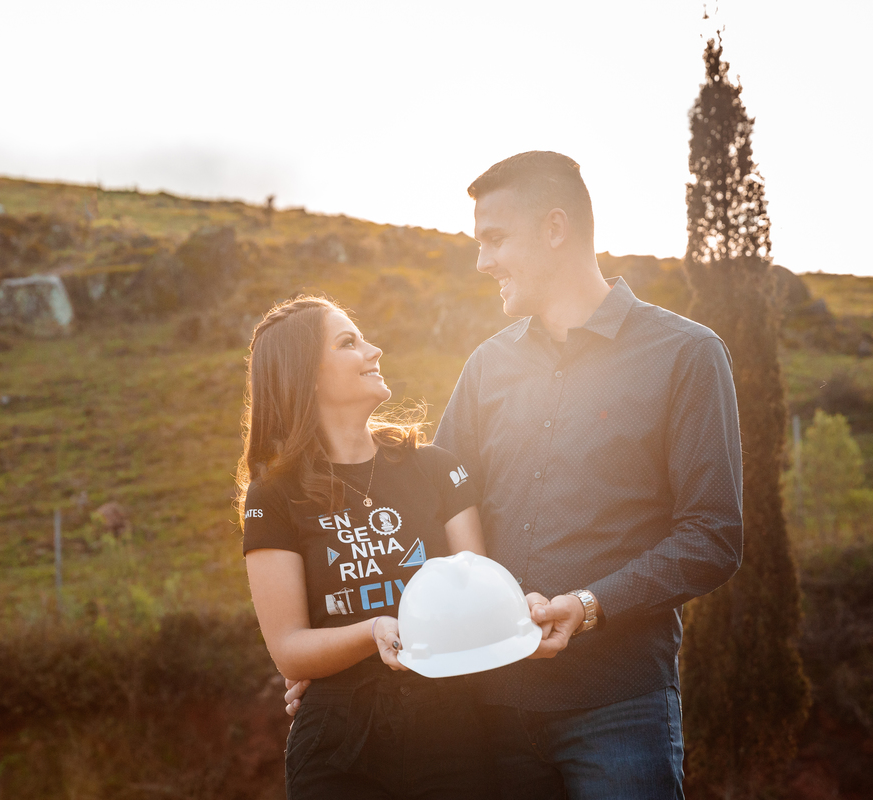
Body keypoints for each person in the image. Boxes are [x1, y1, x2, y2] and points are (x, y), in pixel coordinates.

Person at [431, 151, 743, 799]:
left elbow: (713, 536)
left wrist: (591, 605)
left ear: (554, 229)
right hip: (486, 713)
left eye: (494, 239)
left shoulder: (687, 355)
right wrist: (331, 661)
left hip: (620, 712)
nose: (482, 262)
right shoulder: (486, 367)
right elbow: (431, 511)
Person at [239, 295, 496, 800]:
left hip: (451, 727)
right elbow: (289, 650)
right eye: (348, 342)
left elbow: (480, 600)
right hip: (338, 739)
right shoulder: (274, 495)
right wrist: (372, 631)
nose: (374, 350)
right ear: (305, 375)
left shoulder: (437, 469)